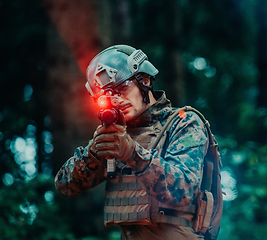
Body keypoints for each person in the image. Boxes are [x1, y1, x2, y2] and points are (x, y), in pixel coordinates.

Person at [55, 44, 216, 240]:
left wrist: (132, 154)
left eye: (122, 88)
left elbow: (183, 191)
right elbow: (65, 186)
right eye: (107, 95)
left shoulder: (184, 122)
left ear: (145, 80)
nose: (117, 99)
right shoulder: (118, 132)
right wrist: (94, 154)